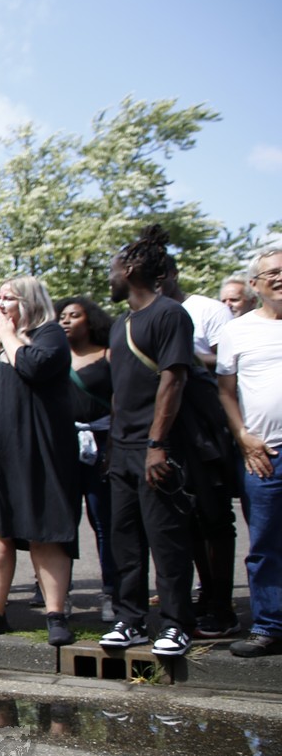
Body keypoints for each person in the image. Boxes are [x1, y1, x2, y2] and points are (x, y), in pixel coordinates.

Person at [0, 278, 79, 646]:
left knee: (44, 528)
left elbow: (34, 367)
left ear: (29, 301)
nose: (0, 304)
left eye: (8, 298)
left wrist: (9, 335)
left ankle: (56, 614)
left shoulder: (49, 334)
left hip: (34, 448)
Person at [98, 225, 197, 657]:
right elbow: (119, 389)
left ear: (130, 270)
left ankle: (176, 624)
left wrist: (157, 444)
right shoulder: (121, 323)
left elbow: (173, 381)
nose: (109, 277)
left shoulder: (170, 315)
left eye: (113, 269)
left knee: (166, 538)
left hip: (157, 447)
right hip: (122, 449)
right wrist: (113, 445)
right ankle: (131, 620)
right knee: (124, 539)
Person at [161, 267, 241, 639]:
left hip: (206, 426)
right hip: (173, 428)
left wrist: (184, 355)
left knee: (215, 517)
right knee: (189, 519)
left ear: (171, 274)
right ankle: (206, 595)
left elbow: (229, 365)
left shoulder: (209, 309)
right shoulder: (143, 313)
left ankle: (223, 606)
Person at [217, 250, 282, 657]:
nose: (281, 278)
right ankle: (270, 626)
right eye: (272, 273)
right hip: (266, 453)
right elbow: (225, 391)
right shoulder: (237, 331)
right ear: (255, 284)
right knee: (265, 544)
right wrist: (242, 435)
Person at [55, 296, 119, 623]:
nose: (66, 321)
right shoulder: (55, 357)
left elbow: (119, 400)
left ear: (90, 321)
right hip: (64, 444)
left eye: (74, 315)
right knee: (63, 522)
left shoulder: (108, 355)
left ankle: (111, 591)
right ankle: (59, 593)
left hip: (103, 442)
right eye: (62, 316)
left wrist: (114, 446)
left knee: (103, 520)